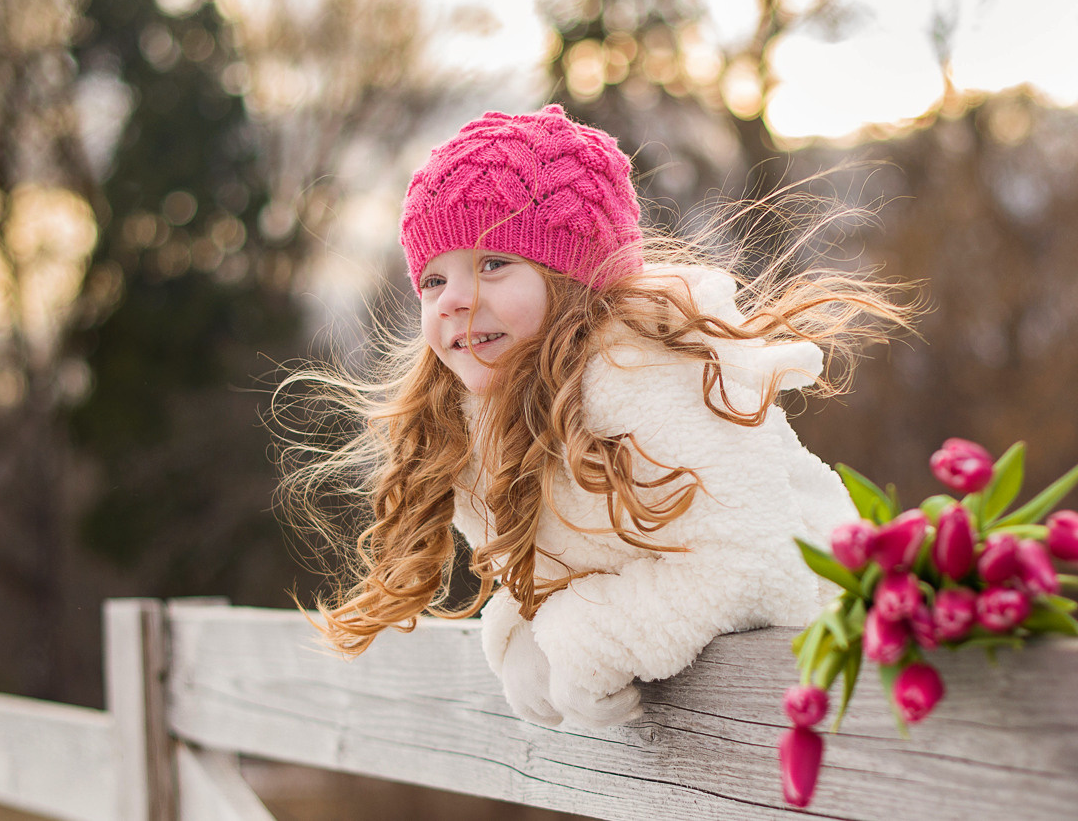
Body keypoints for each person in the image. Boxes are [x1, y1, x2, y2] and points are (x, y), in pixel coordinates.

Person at [275, 104, 910, 728]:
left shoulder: (640, 371)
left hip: (851, 690)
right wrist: (520, 633)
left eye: (494, 263)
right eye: (432, 281)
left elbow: (753, 570)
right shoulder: (472, 421)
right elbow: (564, 572)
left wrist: (588, 638)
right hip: (729, 735)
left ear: (573, 277)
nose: (455, 301)